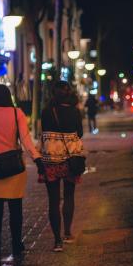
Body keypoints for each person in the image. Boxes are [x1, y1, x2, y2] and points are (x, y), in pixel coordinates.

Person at [0, 85, 45, 266]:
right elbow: (25, 139)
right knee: (16, 209)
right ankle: (16, 244)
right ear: (9, 97)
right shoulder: (17, 113)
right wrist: (37, 159)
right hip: (14, 167)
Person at [39, 81, 83, 252]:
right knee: (69, 195)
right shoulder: (74, 112)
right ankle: (67, 233)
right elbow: (80, 133)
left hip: (51, 159)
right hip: (71, 158)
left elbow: (43, 132)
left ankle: (57, 241)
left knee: (53, 200)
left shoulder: (46, 112)